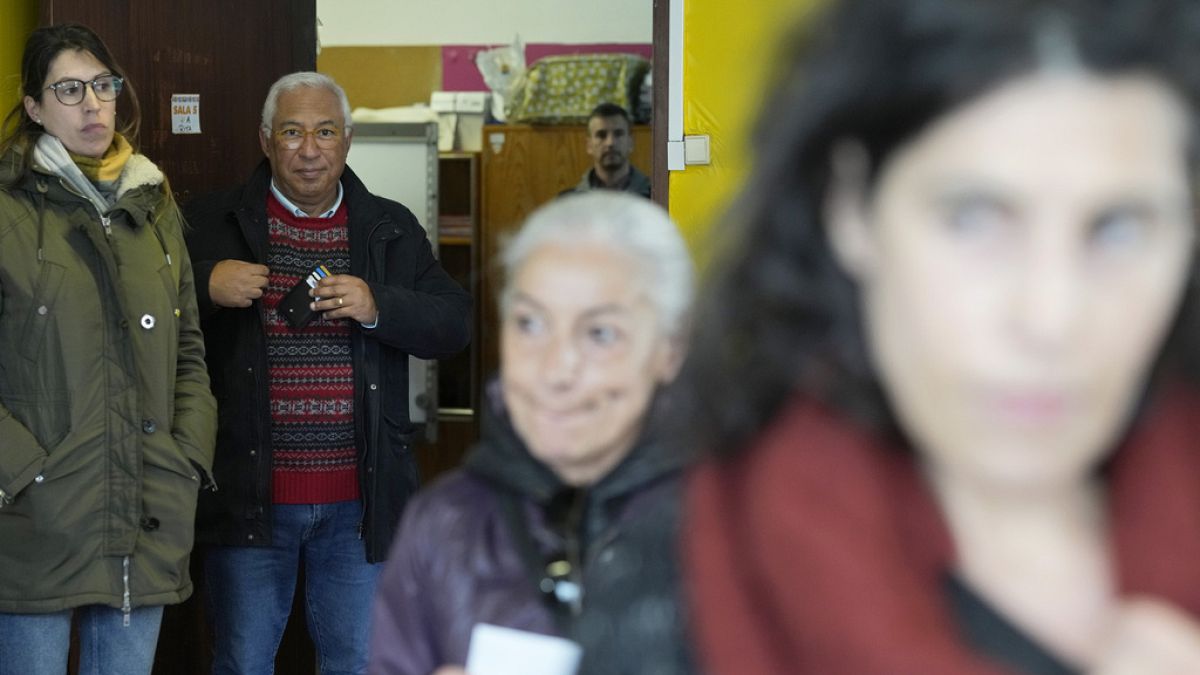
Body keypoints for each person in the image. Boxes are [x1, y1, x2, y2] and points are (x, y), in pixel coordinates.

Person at [679, 1, 1200, 673]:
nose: (1050, 320)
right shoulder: (675, 575)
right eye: (974, 218)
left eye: (1120, 228)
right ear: (852, 209)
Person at [183, 71, 471, 674]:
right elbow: (140, 321)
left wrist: (379, 307)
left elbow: (454, 325)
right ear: (266, 140)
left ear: (348, 139)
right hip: (248, 501)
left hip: (360, 505)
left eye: (324, 132)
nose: (309, 150)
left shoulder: (387, 228)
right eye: (292, 131)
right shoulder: (212, 221)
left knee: (361, 663)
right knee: (242, 663)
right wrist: (202, 284)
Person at [369, 192, 694, 675]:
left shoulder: (743, 529)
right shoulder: (444, 523)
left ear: (671, 349)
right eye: (531, 323)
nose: (555, 369)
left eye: (600, 333)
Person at [0, 23, 217, 675]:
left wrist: (184, 457)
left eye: (103, 85)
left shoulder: (153, 207)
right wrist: (22, 472)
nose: (92, 104)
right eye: (69, 89)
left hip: (143, 517)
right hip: (39, 520)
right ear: (35, 107)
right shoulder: (6, 211)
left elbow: (189, 355)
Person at [562, 103, 650, 199]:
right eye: (601, 135)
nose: (610, 143)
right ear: (589, 145)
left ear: (630, 142)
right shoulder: (568, 204)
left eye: (618, 134)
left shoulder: (658, 200)